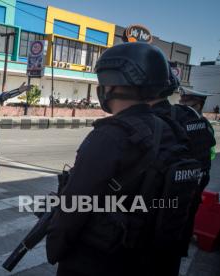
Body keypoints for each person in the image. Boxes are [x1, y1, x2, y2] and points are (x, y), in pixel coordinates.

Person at [46, 42, 191, 276]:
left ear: (112, 84)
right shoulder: (170, 130)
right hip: (149, 258)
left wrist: (55, 248)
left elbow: (73, 207)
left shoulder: (110, 135)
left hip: (100, 260)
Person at [148, 69, 216, 274]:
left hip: (163, 195)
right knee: (178, 236)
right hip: (190, 191)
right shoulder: (205, 127)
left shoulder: (171, 117)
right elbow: (210, 157)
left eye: (184, 99)